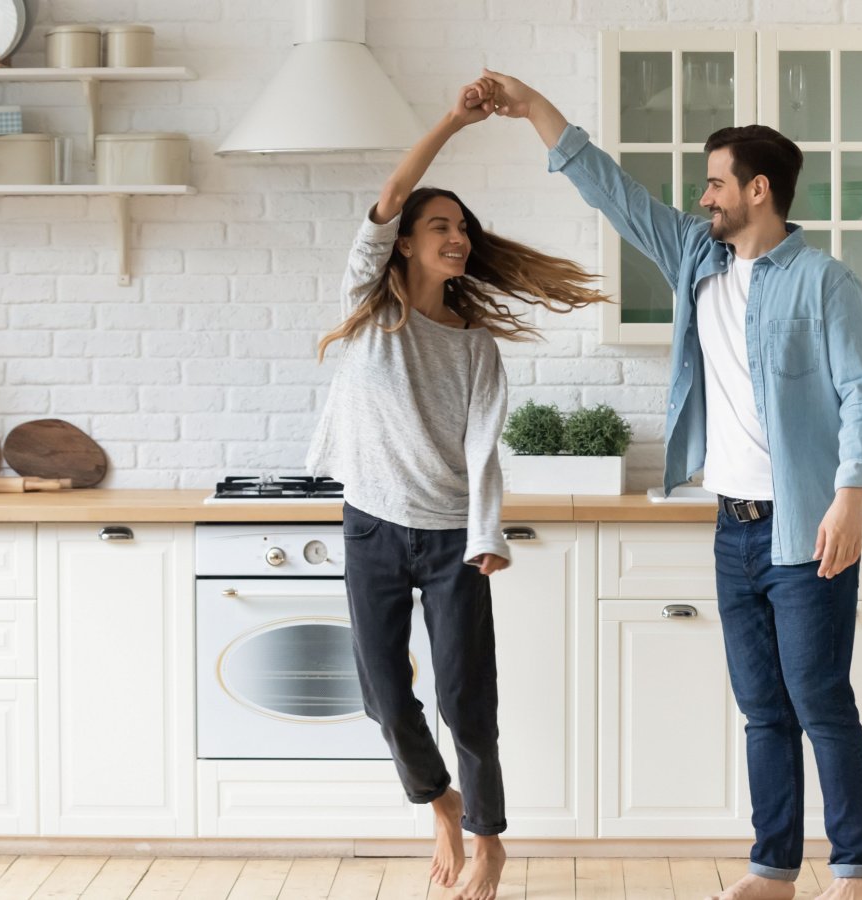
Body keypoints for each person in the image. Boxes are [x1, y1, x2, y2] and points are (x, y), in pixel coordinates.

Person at [480, 70, 862, 900]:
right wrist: (532, 109)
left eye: (715, 181)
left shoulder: (825, 283)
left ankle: (858, 870)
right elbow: (612, 191)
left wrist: (851, 496)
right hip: (732, 527)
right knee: (762, 710)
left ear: (758, 190)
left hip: (805, 524)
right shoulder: (698, 258)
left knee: (820, 702)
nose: (703, 197)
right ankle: (773, 867)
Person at [306, 77, 608, 900]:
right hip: (371, 524)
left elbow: (483, 451)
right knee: (382, 693)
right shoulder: (371, 307)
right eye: (440, 225)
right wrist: (456, 119)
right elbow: (396, 191)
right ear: (403, 243)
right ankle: (438, 799)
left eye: (463, 228)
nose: (457, 236)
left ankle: (488, 839)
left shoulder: (475, 348)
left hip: (448, 539)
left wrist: (487, 533)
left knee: (466, 697)